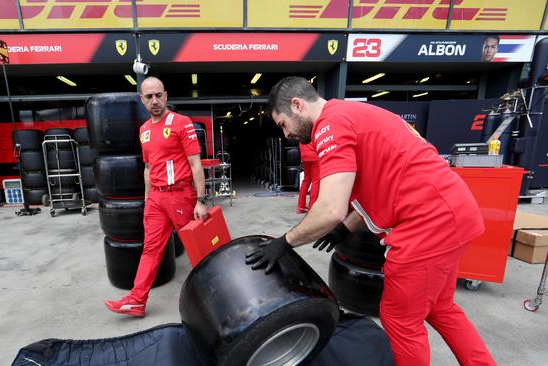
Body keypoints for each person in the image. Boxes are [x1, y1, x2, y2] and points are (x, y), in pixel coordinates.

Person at [245, 76, 496, 366]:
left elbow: (329, 208)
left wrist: (284, 243)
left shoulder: (331, 125)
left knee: (400, 320)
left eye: (283, 125)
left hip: (427, 224)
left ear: (297, 105)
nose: (286, 135)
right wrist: (344, 229)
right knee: (441, 308)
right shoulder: (352, 114)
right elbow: (379, 186)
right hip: (456, 213)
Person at [105, 76, 208, 317]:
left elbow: (195, 164)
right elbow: (149, 169)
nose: (155, 101)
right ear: (141, 100)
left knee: (199, 249)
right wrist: (147, 200)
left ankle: (221, 293)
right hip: (156, 200)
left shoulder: (182, 123)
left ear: (166, 95)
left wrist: (201, 201)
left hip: (180, 196)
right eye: (149, 96)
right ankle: (137, 300)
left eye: (158, 95)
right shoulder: (144, 131)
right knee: (150, 249)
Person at [296, 142, 320, 214]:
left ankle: (301, 206)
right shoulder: (314, 131)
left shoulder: (301, 131)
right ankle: (312, 207)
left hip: (304, 156)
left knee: (306, 180)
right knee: (316, 181)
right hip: (314, 156)